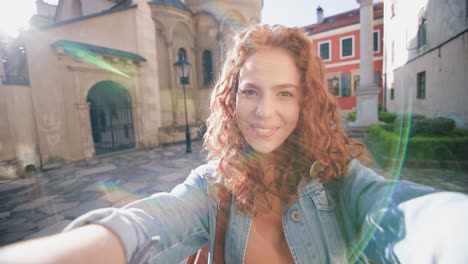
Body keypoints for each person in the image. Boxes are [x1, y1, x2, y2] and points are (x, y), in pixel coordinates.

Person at [1, 24, 468, 264]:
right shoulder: (213, 187)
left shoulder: (338, 177)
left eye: (285, 93)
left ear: (305, 100)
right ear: (231, 97)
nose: (265, 112)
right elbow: (150, 221)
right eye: (251, 91)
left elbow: (396, 212)